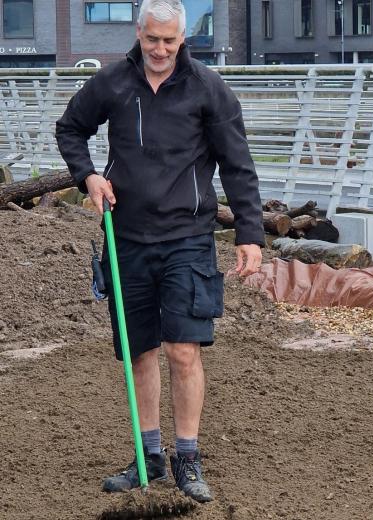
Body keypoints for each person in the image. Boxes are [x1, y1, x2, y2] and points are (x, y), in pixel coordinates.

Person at [56, 0, 264, 502]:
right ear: (139, 33)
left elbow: (238, 165)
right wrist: (88, 176)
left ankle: (187, 458)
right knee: (140, 352)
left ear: (182, 38)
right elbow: (70, 128)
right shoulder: (112, 83)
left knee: (183, 350)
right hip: (125, 235)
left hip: (188, 237)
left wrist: (251, 235)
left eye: (170, 41)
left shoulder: (208, 89)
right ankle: (147, 456)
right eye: (153, 40)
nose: (161, 50)